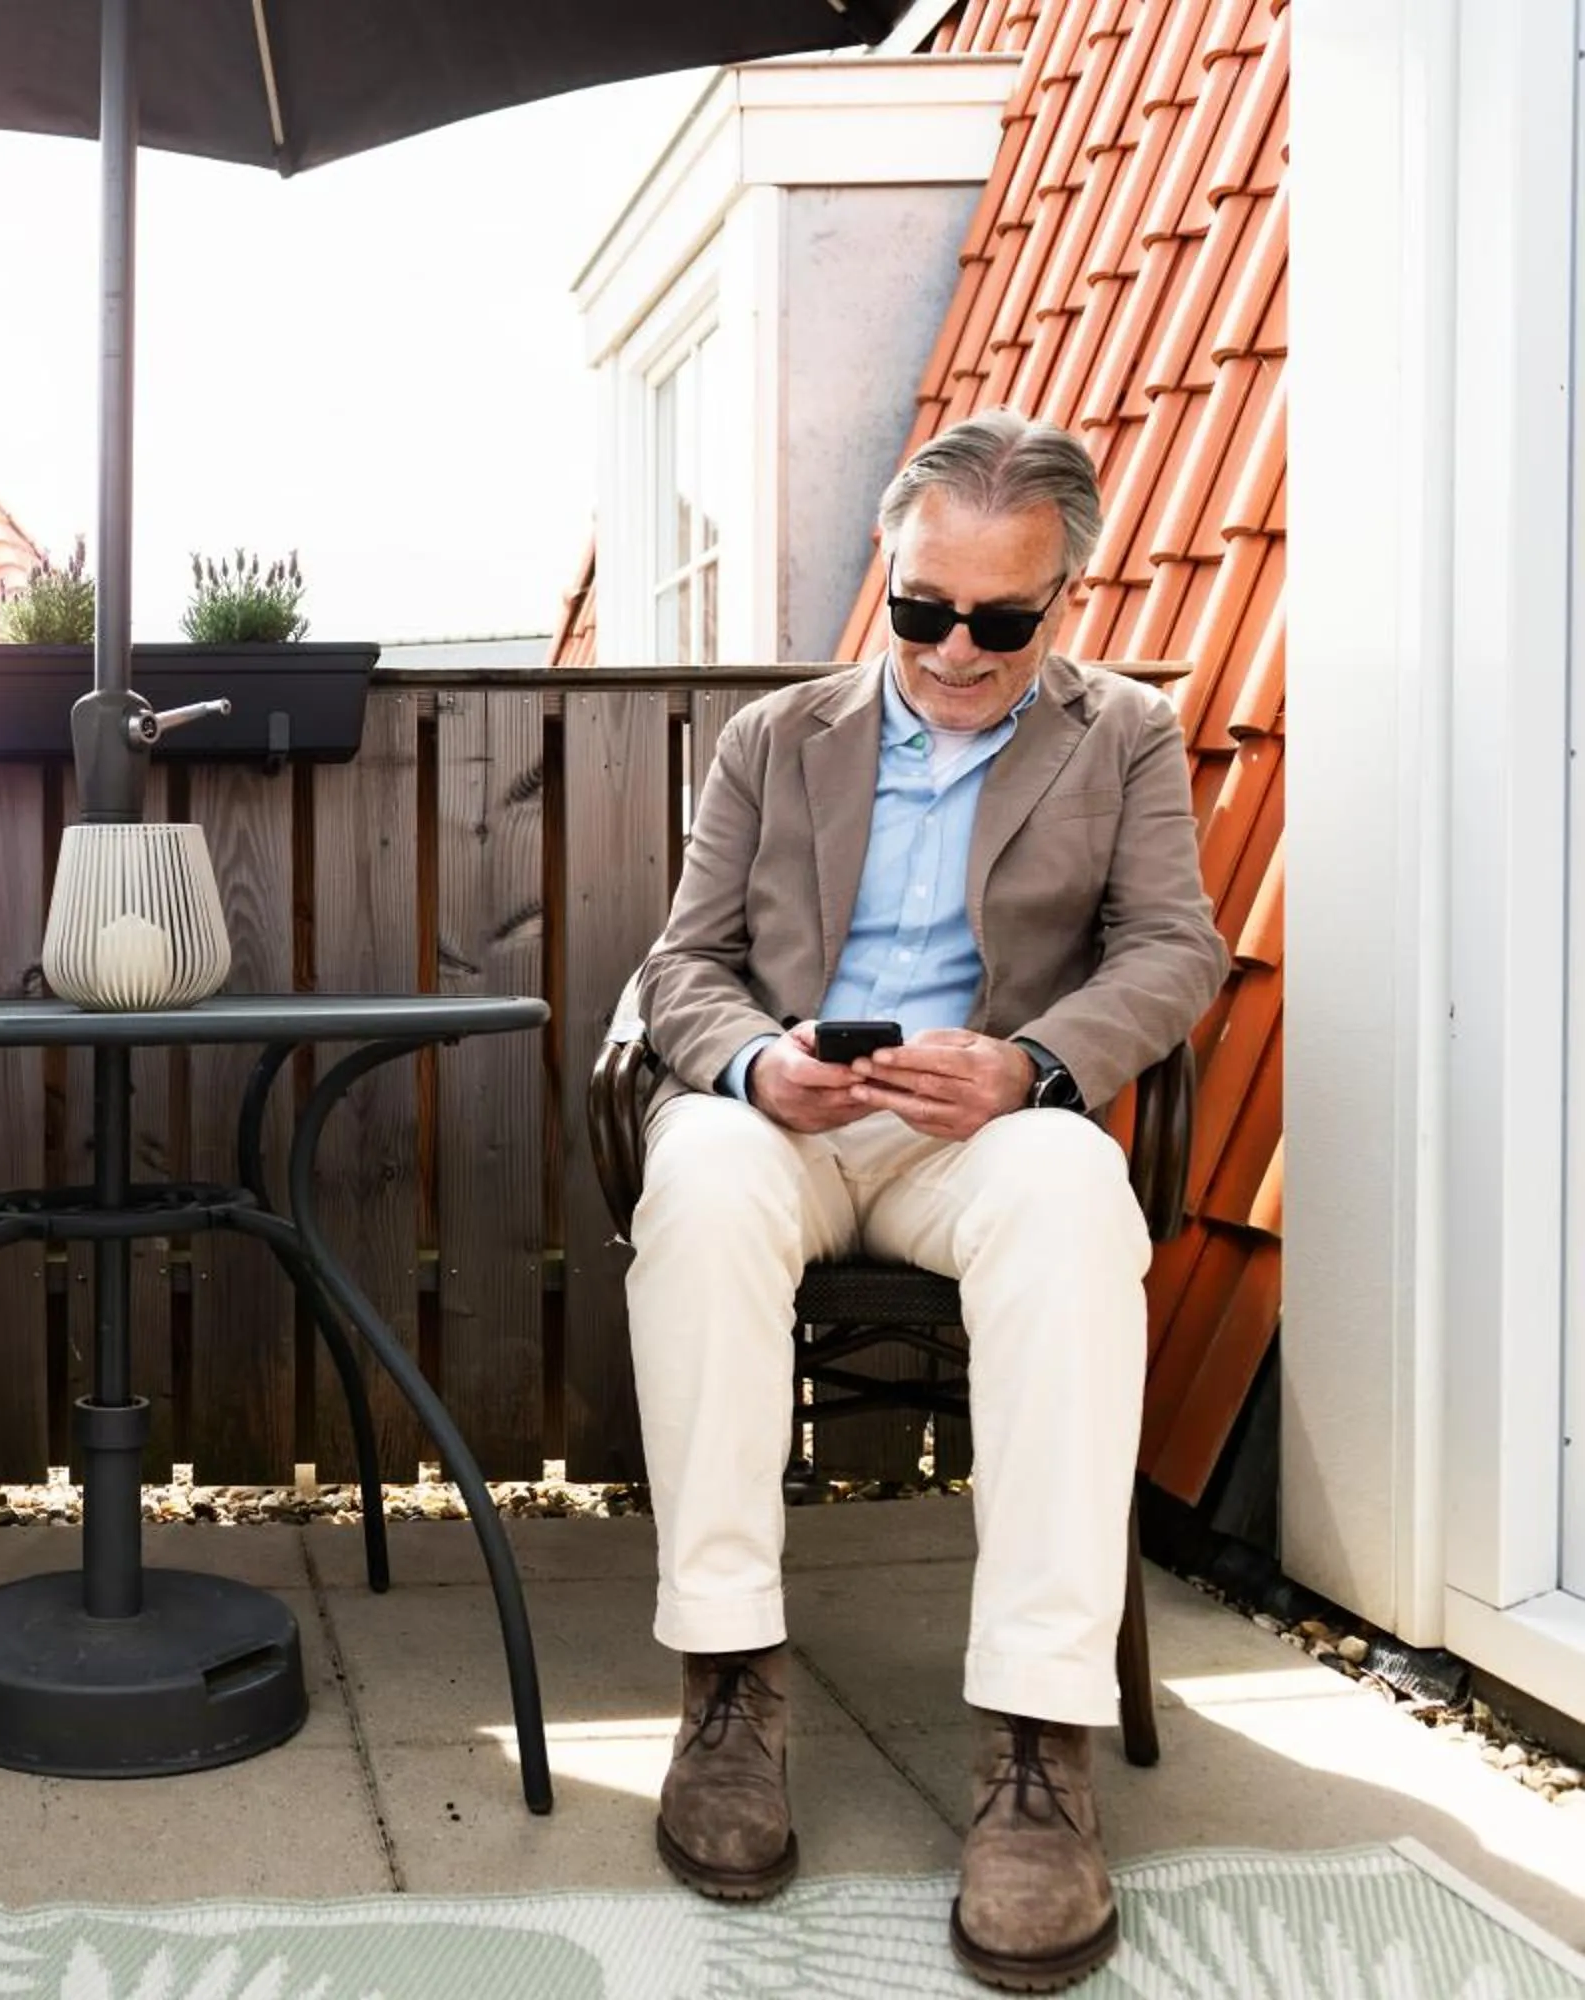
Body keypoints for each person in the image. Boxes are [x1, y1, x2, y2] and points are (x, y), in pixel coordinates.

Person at [628, 409, 1225, 1989]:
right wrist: (756, 1064)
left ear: (1064, 600)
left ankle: (1037, 1748)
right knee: (697, 1182)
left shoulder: (1125, 735)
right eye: (923, 607)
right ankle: (729, 1686)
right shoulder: (777, 739)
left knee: (1075, 1191)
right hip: (791, 1121)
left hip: (979, 1130)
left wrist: (1031, 1066)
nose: (957, 650)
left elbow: (1176, 949)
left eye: (1002, 622)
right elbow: (682, 966)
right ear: (887, 574)